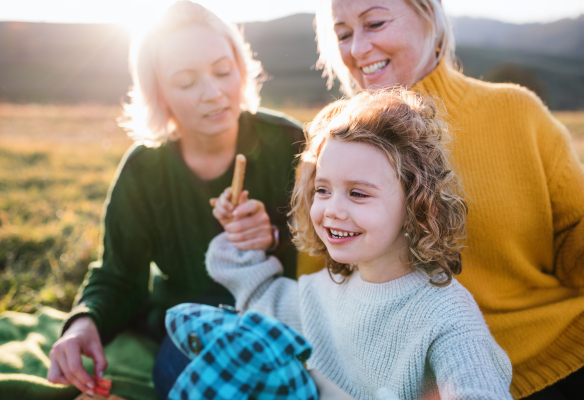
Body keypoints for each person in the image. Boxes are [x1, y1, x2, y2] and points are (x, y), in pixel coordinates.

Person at [313, 0, 584, 398]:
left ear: (430, 17)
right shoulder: (331, 142)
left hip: (563, 352)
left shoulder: (515, 111)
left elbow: (573, 234)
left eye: (374, 22)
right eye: (343, 34)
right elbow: (325, 294)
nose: (356, 49)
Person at [46, 2, 304, 399]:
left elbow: (335, 246)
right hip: (191, 324)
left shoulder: (290, 142)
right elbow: (120, 273)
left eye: (222, 71)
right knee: (196, 375)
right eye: (186, 82)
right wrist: (84, 323)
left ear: (241, 67)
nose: (214, 93)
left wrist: (272, 236)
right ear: (159, 94)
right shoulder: (144, 170)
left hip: (286, 317)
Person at [207, 89, 513, 400]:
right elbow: (263, 301)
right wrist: (241, 238)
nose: (332, 210)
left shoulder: (446, 315)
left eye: (358, 193)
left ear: (417, 207)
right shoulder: (325, 292)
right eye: (322, 190)